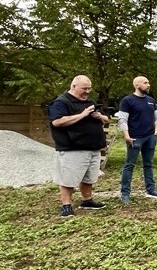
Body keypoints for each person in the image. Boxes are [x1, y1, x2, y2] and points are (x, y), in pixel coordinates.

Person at [49, 75, 109, 217]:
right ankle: (66, 205)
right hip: (72, 148)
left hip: (93, 147)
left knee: (89, 177)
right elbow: (57, 122)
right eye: (84, 89)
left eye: (89, 88)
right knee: (68, 178)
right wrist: (82, 115)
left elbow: (106, 119)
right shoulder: (61, 102)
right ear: (73, 86)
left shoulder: (90, 102)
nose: (87, 92)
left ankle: (87, 200)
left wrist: (99, 116)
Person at [117, 76, 157, 203]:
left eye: (148, 82)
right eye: (145, 83)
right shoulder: (127, 100)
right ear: (137, 85)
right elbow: (122, 119)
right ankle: (125, 193)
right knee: (129, 165)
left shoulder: (151, 100)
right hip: (135, 138)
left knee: (148, 164)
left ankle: (151, 189)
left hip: (150, 137)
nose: (148, 85)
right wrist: (126, 135)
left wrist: (155, 132)